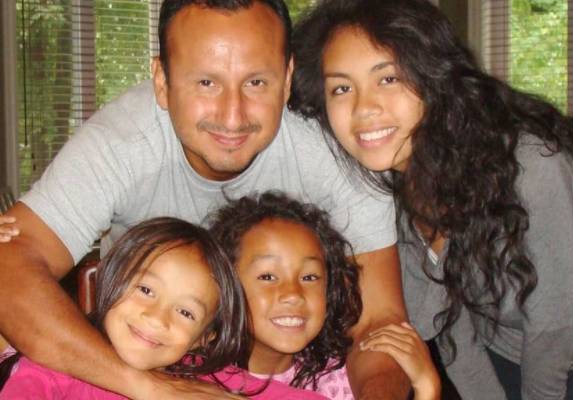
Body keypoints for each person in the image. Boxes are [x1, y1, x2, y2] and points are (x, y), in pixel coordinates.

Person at [0, 0, 410, 399]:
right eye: (206, 83)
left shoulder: (335, 152)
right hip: (136, 362)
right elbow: (10, 267)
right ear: (162, 82)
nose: (232, 116)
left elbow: (379, 325)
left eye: (256, 83)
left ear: (287, 79)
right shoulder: (121, 144)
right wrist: (154, 389)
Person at [289, 0, 573, 399]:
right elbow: (447, 326)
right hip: (503, 350)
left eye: (388, 78)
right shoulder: (383, 186)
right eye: (342, 88)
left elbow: (552, 330)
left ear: (434, 79)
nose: (364, 108)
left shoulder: (531, 167)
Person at [0, 217, 327, 399]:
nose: (156, 318)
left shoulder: (202, 375)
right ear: (109, 282)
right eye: (145, 290)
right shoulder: (54, 366)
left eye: (185, 312)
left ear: (203, 337)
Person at [208, 191, 441, 400]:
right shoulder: (197, 379)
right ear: (225, 284)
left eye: (309, 277)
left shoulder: (339, 383)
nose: (293, 294)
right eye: (268, 277)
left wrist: (427, 388)